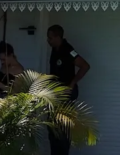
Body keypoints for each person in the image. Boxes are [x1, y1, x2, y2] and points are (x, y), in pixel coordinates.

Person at [47, 25, 91, 155]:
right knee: (52, 128)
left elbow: (85, 66)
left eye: (50, 38)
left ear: (58, 37)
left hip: (65, 95)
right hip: (55, 95)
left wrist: (72, 83)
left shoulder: (68, 50)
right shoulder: (55, 49)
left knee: (63, 129)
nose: (48, 40)